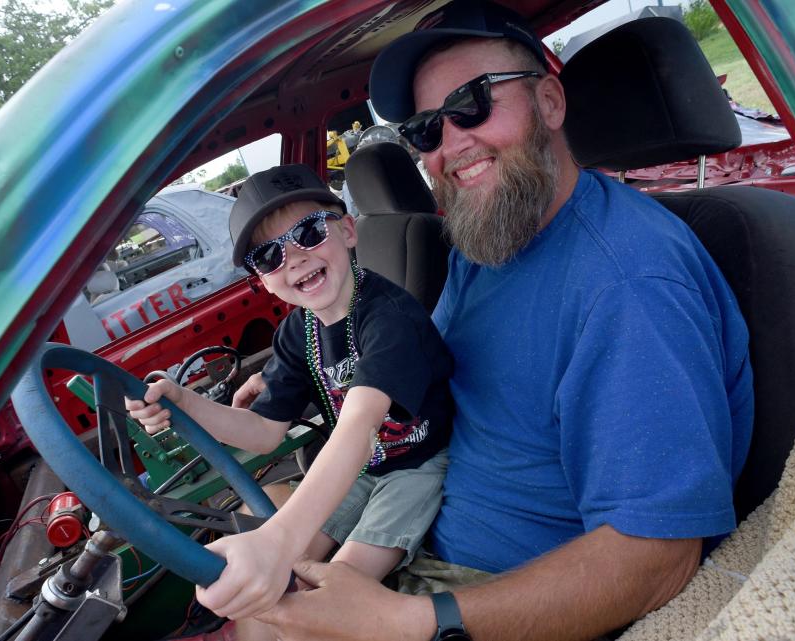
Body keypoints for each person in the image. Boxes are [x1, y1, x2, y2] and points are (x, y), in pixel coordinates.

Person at [248, 2, 754, 640]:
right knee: (253, 596)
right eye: (426, 129)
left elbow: (658, 556)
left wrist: (406, 620)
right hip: (418, 516)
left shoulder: (628, 282)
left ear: (549, 101)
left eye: (472, 104)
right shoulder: (488, 241)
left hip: (488, 587)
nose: (450, 142)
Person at [125, 164, 453, 632]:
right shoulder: (299, 331)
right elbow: (262, 433)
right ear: (261, 279)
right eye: (268, 256)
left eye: (309, 231)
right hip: (361, 469)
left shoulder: (390, 319)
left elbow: (359, 428)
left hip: (417, 466)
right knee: (282, 576)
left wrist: (277, 540)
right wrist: (183, 402)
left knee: (333, 591)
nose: (294, 258)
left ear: (346, 230)